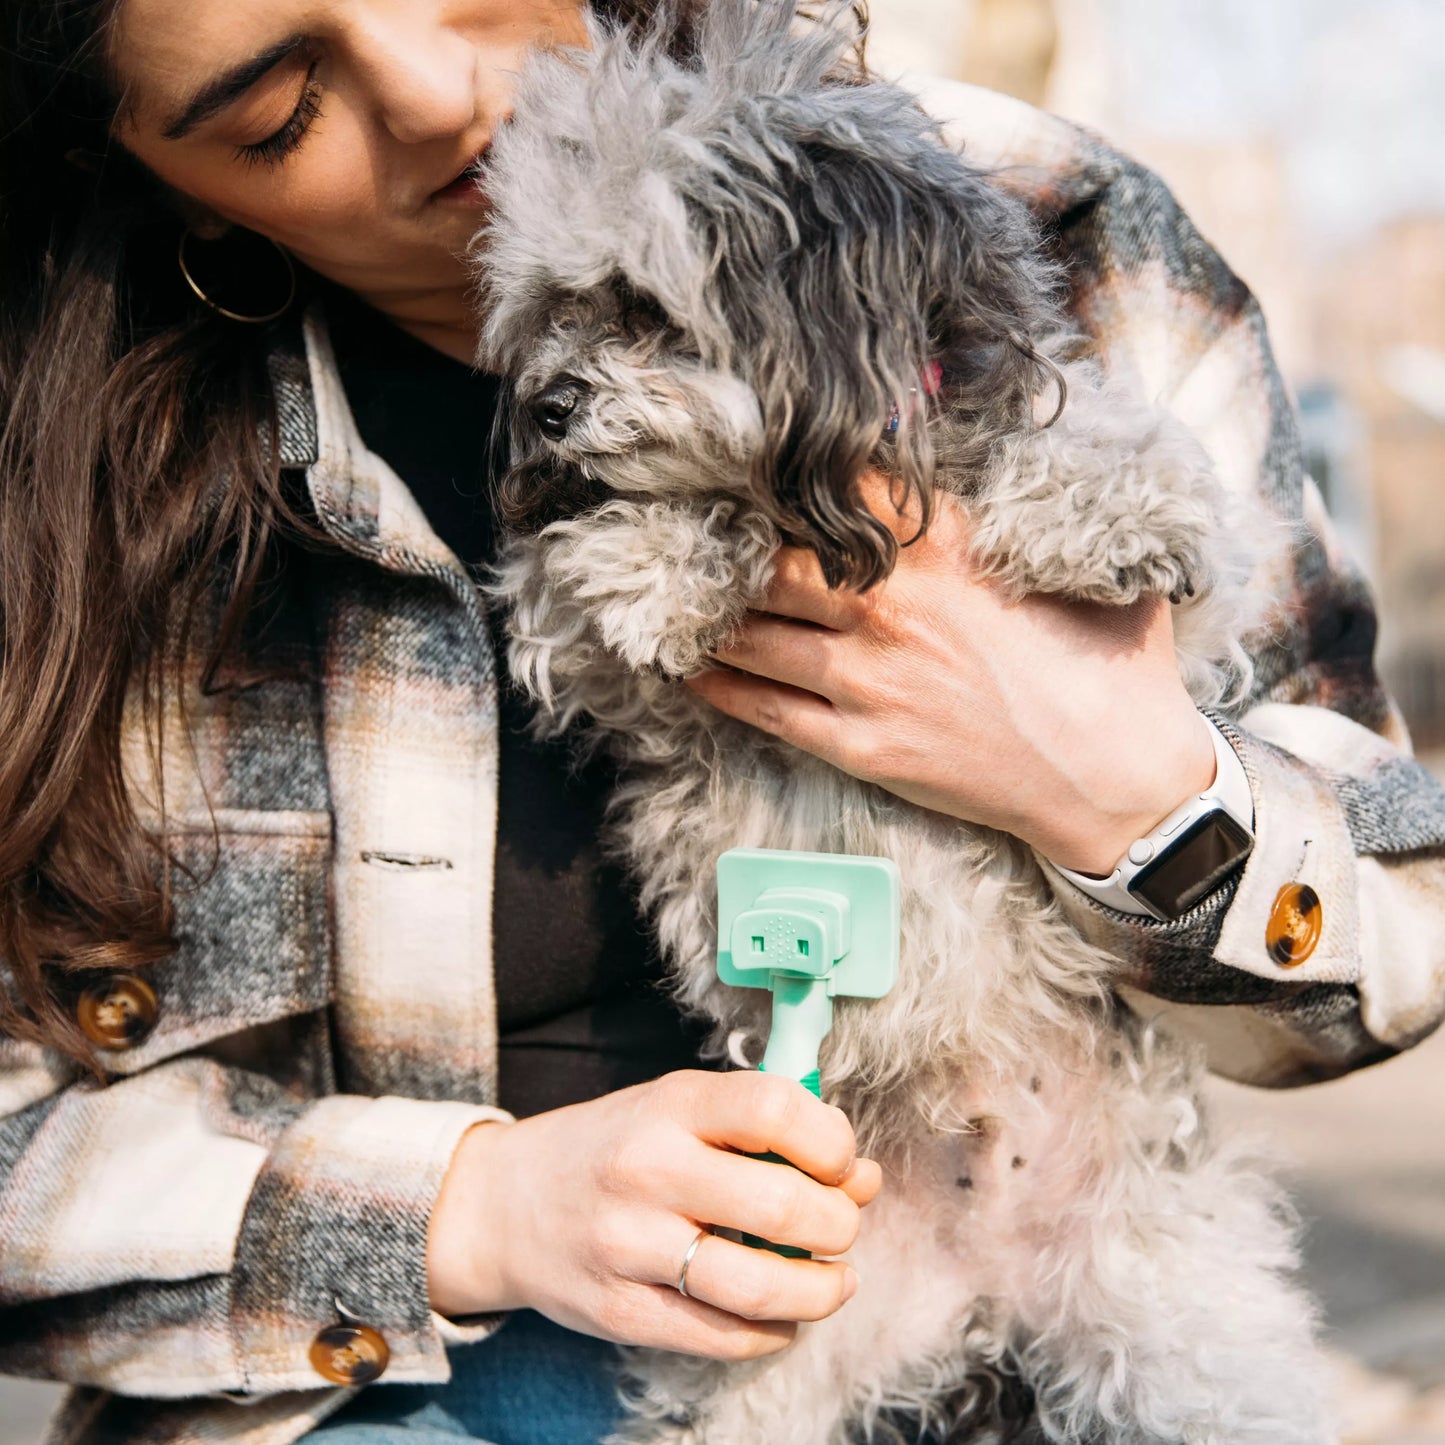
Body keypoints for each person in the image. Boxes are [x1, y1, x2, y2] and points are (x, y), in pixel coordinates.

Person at [1, 1, 1442, 1443]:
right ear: (144, 167)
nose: (437, 97)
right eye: (279, 116)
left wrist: (1126, 787)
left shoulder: (1048, 223)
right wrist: (469, 1207)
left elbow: (1386, 952)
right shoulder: (60, 483)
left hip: (1079, 1232)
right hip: (427, 1377)